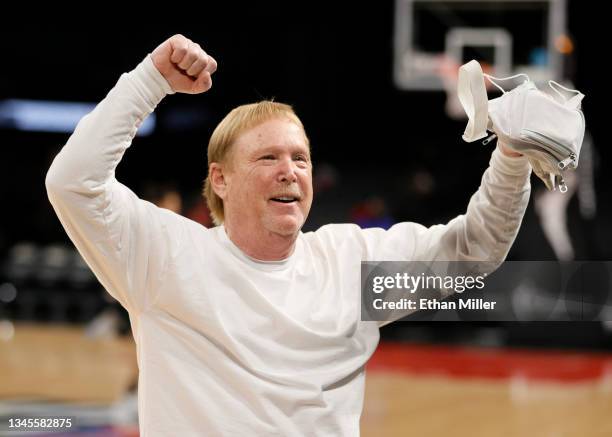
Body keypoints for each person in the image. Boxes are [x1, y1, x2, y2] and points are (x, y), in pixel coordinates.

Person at [45, 34, 531, 436]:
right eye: (267, 158)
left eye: (300, 158)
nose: (290, 172)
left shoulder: (351, 263)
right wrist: (150, 81)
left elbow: (477, 248)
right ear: (220, 179)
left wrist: (512, 156)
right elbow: (72, 181)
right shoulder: (167, 257)